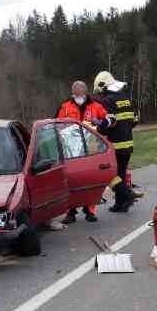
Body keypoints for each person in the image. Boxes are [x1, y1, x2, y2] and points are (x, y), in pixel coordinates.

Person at [57, 80, 108, 223]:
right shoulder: (65, 107)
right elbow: (57, 125)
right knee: (70, 181)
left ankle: (90, 210)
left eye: (79, 91)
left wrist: (101, 123)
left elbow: (108, 120)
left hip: (91, 149)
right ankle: (70, 211)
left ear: (85, 91)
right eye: (75, 91)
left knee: (90, 179)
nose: (76, 93)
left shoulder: (96, 106)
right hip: (71, 151)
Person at [92, 70, 139, 212]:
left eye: (100, 92)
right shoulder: (127, 99)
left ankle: (128, 195)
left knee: (110, 175)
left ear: (104, 86)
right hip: (128, 143)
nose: (100, 95)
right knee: (121, 174)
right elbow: (135, 121)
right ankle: (121, 204)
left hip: (115, 145)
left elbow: (108, 123)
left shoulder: (107, 101)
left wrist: (97, 129)